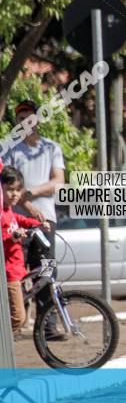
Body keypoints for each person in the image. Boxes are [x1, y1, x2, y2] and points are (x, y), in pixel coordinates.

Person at [2, 99, 66, 340]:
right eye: (20, 118)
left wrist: (31, 193)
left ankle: (48, 326)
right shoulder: (9, 150)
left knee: (46, 272)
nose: (24, 122)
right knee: (17, 273)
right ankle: (16, 325)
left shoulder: (51, 148)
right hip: (15, 223)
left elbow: (58, 181)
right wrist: (26, 204)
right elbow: (7, 186)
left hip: (45, 221)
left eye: (29, 116)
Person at [2, 166, 51, 338]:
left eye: (17, 190)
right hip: (9, 275)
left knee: (19, 319)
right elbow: (5, 236)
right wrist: (14, 236)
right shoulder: (1, 213)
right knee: (17, 318)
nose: (14, 194)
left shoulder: (8, 211)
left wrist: (36, 223)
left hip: (17, 271)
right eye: (9, 189)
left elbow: (19, 219)